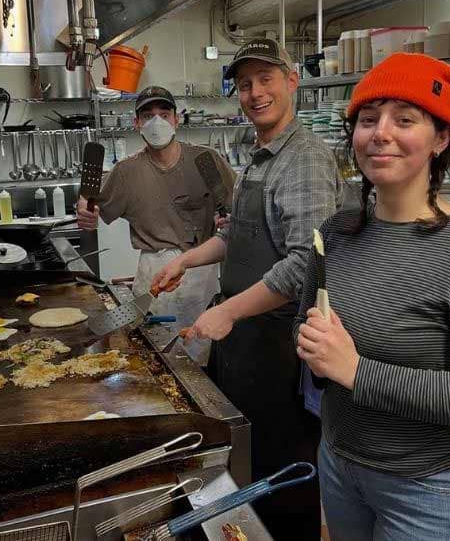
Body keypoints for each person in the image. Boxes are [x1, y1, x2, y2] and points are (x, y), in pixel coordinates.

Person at [296, 53, 450, 539]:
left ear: (441, 138)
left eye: (404, 120)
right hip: (341, 467)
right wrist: (312, 346)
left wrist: (356, 371)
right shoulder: (336, 232)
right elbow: (310, 336)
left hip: (435, 490)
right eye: (368, 119)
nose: (380, 133)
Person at [151, 39, 340, 539]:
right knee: (244, 471)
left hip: (281, 351)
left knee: (282, 481)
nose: (255, 92)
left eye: (266, 79)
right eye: (245, 83)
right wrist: (187, 259)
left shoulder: (305, 158)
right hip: (246, 346)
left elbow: (306, 264)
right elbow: (238, 233)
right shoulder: (259, 156)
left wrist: (229, 310)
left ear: (292, 81)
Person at [74, 85, 234, 365]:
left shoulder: (205, 161)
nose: (156, 122)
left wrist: (228, 217)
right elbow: (91, 206)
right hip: (154, 277)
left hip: (200, 272)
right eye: (148, 116)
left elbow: (237, 209)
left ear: (176, 120)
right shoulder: (126, 172)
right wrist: (84, 207)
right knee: (155, 360)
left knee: (202, 359)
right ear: (137, 123)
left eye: (164, 114)